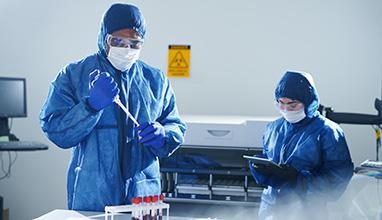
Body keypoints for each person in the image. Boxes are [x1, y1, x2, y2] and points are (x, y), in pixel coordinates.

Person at [40, 3, 186, 211]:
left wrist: (164, 135)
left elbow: (175, 125)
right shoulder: (74, 75)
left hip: (143, 199)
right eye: (117, 41)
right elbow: (55, 130)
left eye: (134, 43)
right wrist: (90, 107)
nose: (126, 49)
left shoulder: (155, 80)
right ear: (103, 37)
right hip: (92, 198)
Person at [250, 71, 354, 220]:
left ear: (309, 101)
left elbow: (338, 178)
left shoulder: (327, 131)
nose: (286, 110)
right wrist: (263, 169)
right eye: (281, 103)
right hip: (270, 210)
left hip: (307, 211)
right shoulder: (273, 128)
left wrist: (299, 179)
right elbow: (270, 159)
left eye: (293, 105)